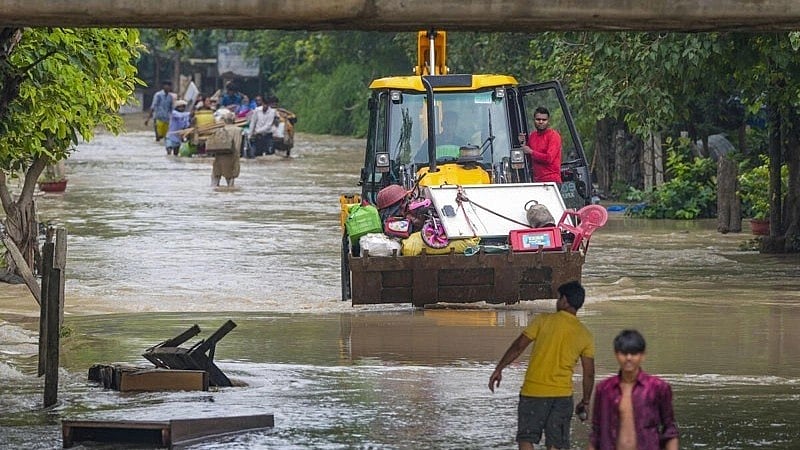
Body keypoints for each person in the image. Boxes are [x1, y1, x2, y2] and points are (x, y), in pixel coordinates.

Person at [489, 280, 595, 450]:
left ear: (565, 301)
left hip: (533, 393)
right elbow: (589, 374)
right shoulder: (585, 334)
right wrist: (586, 401)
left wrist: (499, 368)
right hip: (562, 396)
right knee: (556, 444)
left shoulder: (543, 320)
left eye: (559, 298)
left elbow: (518, 346)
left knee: (526, 438)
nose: (557, 302)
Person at [588, 330, 679, 450]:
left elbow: (670, 430)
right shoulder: (604, 389)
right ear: (616, 354)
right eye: (624, 353)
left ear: (643, 355)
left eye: (634, 353)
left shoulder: (658, 388)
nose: (629, 358)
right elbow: (596, 433)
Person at [521, 106, 562, 183]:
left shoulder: (554, 136)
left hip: (552, 181)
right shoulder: (532, 136)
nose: (541, 122)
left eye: (544, 120)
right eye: (538, 119)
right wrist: (522, 143)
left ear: (548, 121)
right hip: (537, 181)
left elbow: (549, 158)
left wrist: (531, 152)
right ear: (534, 120)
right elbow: (527, 156)